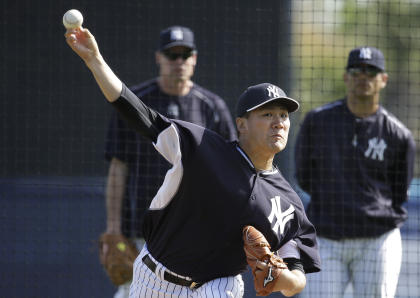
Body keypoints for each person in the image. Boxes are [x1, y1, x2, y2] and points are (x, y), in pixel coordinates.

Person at [65, 25, 321, 298]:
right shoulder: (203, 149)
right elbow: (137, 112)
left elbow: (298, 277)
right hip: (153, 279)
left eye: (283, 115)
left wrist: (282, 279)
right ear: (242, 125)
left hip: (217, 287)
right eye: (267, 114)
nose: (278, 123)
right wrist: (94, 60)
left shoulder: (287, 201)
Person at [102, 25, 237, 297]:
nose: (178, 61)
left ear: (195, 58)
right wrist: (114, 228)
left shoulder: (211, 106)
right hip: (143, 231)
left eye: (184, 55)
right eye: (171, 55)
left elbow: (230, 171)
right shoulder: (136, 103)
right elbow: (118, 167)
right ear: (158, 58)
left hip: (194, 234)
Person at [295, 46, 416, 298]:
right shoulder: (317, 121)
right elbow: (304, 175)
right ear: (346, 77)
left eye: (371, 71)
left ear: (383, 79)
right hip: (326, 238)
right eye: (356, 70)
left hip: (376, 240)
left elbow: (399, 190)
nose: (363, 76)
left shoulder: (398, 134)